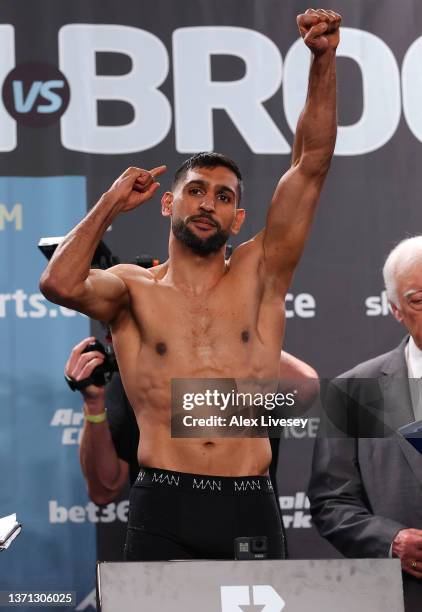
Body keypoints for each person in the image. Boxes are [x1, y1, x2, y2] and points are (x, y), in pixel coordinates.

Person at [40, 7, 340, 561]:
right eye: (197, 190)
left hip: (250, 498)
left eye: (224, 196)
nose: (209, 204)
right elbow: (59, 282)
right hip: (163, 504)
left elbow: (312, 162)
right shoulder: (130, 288)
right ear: (168, 203)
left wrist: (323, 61)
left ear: (239, 218)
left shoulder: (262, 271)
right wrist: (110, 204)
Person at [308, 236, 422, 612]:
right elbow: (332, 502)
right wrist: (393, 540)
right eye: (418, 299)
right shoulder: (356, 391)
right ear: (395, 309)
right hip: (405, 596)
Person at [65, 337, 318, 506]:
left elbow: (304, 386)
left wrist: (229, 331)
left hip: (248, 533)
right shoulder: (134, 382)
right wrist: (94, 404)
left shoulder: (249, 370)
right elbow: (103, 490)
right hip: (163, 541)